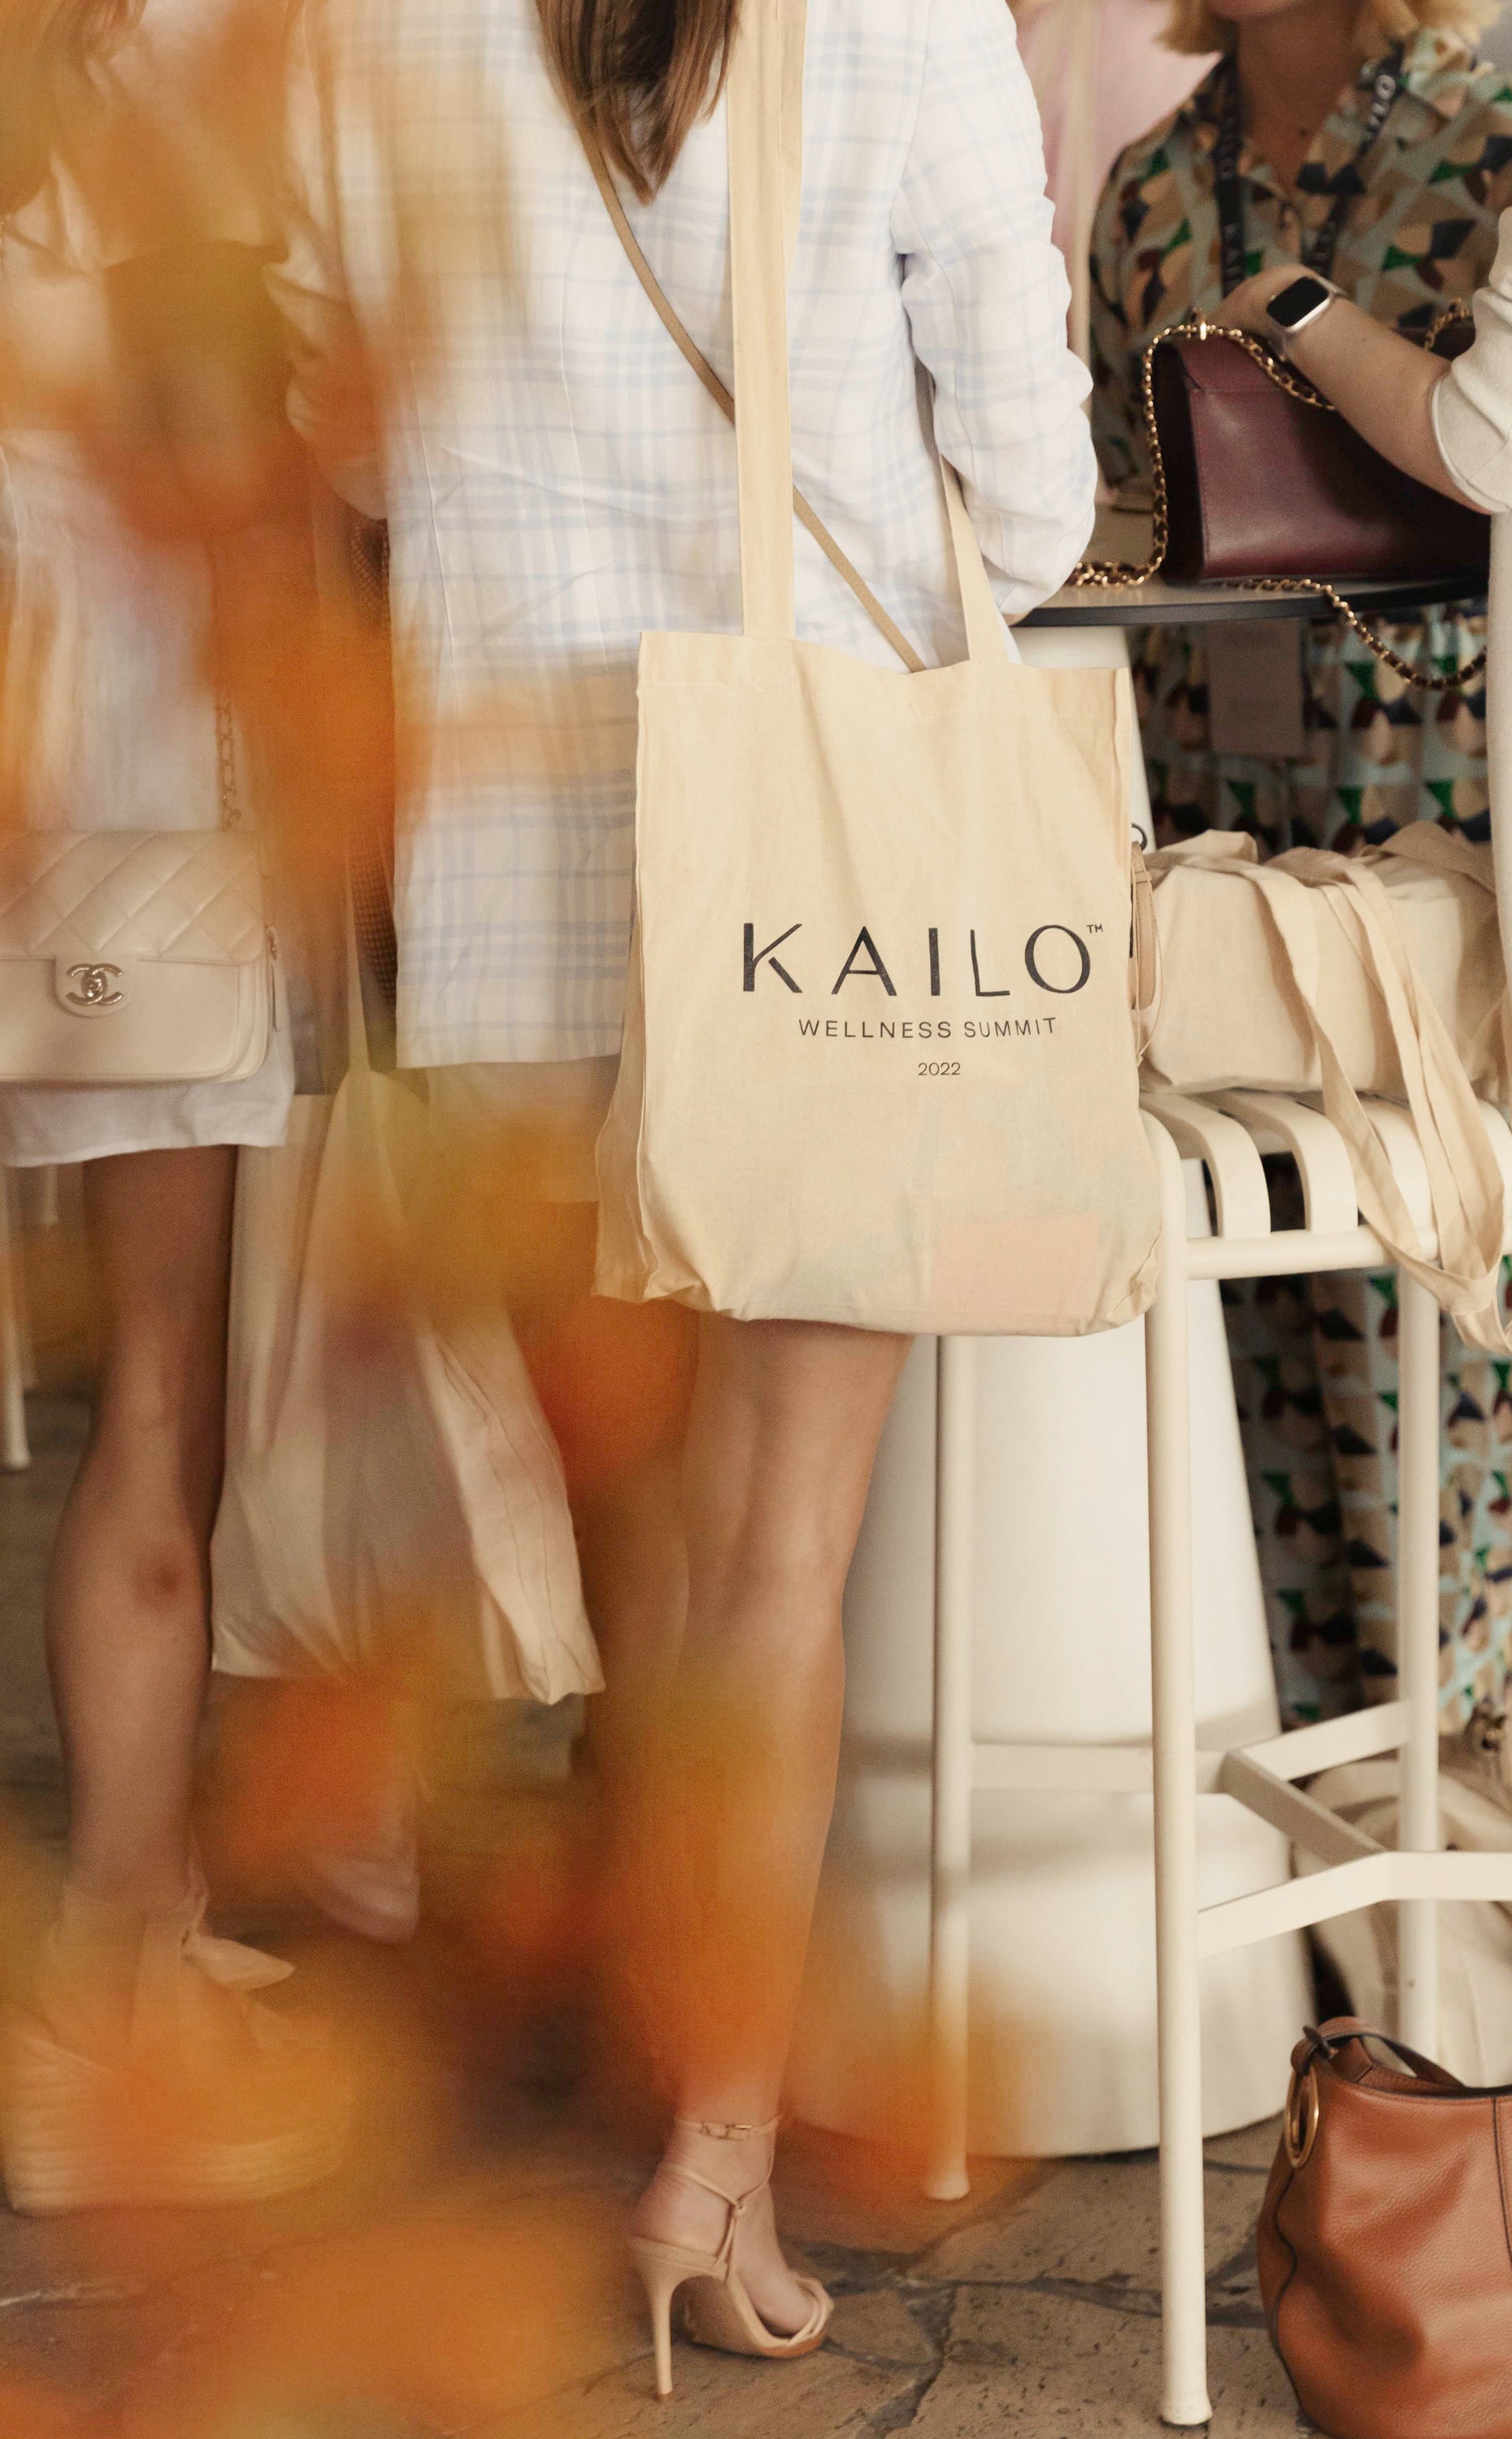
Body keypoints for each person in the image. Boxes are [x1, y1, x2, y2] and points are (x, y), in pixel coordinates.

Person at [269, 0, 1093, 2387]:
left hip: (507, 840)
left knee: (638, 1535)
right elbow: (1030, 495)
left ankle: (651, 2054)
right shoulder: (910, 16)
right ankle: (709, 2156)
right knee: (772, 1568)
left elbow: (341, 418)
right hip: (818, 868)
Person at [1088, 0, 1512, 1731]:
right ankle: (1291, 1790)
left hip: (1431, 808)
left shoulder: (1500, 149)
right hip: (1207, 796)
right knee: (1230, 1282)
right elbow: (1110, 480)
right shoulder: (1150, 181)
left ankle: (1446, 1753)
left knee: (1432, 1282)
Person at [0, 0, 344, 2210]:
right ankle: (98, 2010)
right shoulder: (158, 94)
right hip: (130, 816)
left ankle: (153, 1909)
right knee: (158, 1401)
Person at [1223, 0, 1512, 1099]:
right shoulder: (1148, 173)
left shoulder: (1488, 113)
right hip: (1215, 709)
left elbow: (1491, 436)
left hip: (1436, 719)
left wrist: (1298, 309)